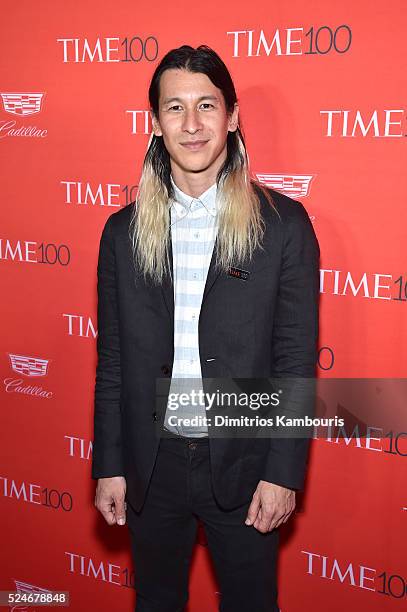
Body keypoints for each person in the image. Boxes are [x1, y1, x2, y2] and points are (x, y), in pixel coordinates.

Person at [92, 44, 320, 612]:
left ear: (233, 117)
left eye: (207, 106)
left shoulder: (284, 226)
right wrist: (110, 465)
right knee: (156, 601)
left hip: (244, 466)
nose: (191, 125)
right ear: (155, 122)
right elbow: (114, 361)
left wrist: (283, 473)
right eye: (174, 107)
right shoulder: (122, 233)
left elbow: (294, 362)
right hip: (153, 465)